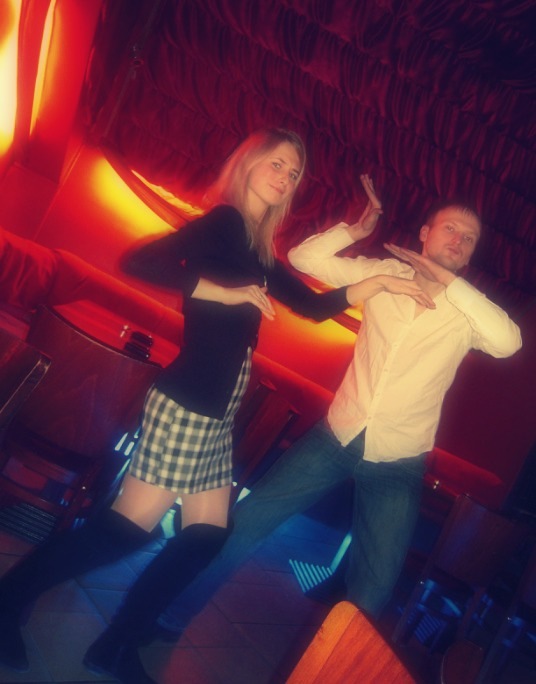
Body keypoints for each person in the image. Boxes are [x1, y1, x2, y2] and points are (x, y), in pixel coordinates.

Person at [0, 130, 395, 684]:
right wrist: (221, 292)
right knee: (126, 531)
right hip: (187, 406)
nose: (285, 178)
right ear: (250, 162)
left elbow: (311, 306)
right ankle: (12, 601)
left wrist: (373, 274)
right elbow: (141, 261)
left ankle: (116, 644)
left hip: (215, 417)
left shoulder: (257, 247)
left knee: (206, 536)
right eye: (277, 164)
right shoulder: (226, 222)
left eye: (293, 173)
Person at [154, 178, 522, 641]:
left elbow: (509, 342)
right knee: (250, 521)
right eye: (450, 228)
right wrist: (355, 230)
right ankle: (171, 616)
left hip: (399, 460)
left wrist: (449, 282)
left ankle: (329, 668)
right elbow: (303, 259)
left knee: (375, 584)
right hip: (337, 435)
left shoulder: (468, 311)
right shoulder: (382, 272)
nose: (458, 240)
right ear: (425, 233)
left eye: (468, 238)